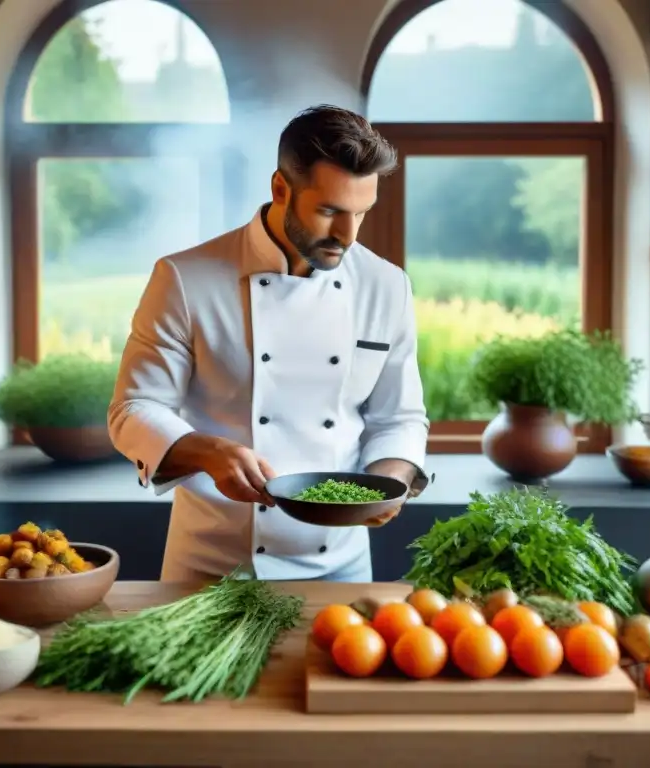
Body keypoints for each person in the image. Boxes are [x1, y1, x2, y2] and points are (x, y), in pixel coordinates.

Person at [108, 104, 430, 583]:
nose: (348, 235)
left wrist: (389, 482)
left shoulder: (387, 285)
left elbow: (399, 417)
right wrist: (206, 450)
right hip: (213, 565)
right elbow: (133, 409)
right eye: (329, 211)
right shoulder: (184, 278)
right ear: (281, 189)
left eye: (361, 213)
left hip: (340, 566)